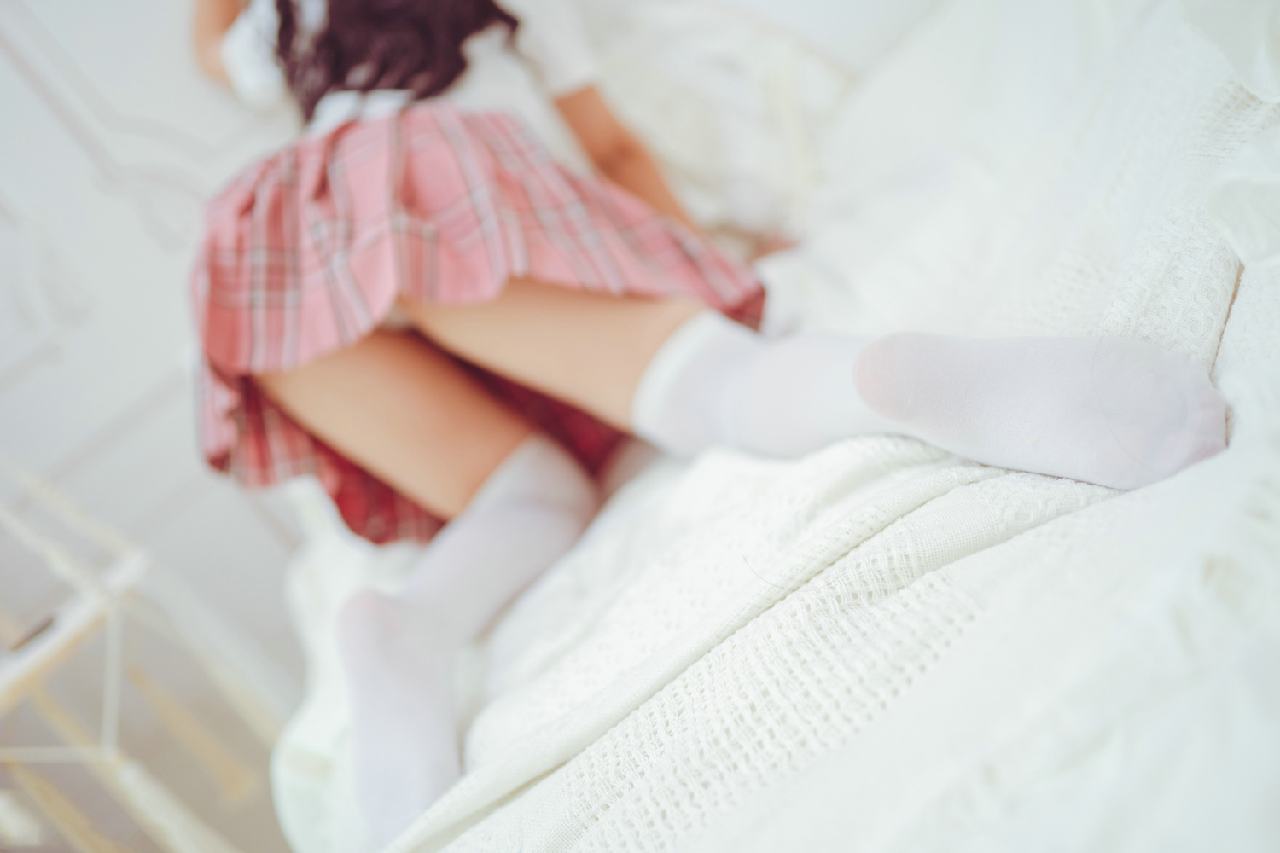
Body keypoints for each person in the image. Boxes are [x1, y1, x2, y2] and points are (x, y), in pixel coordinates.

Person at [190, 0, 1227, 844]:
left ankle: (412, 626)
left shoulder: (275, 32)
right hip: (420, 197)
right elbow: (611, 151)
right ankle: (875, 381)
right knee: (722, 385)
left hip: (267, 258)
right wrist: (713, 275)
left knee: (531, 493)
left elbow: (205, 38)